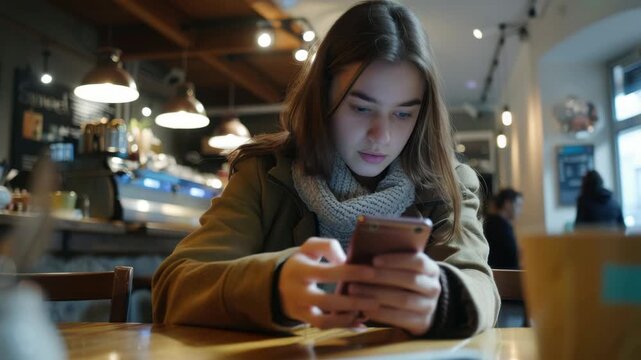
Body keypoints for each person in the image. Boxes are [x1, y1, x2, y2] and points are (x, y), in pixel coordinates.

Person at [152, 0, 499, 338]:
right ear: (323, 98)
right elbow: (174, 286)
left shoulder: (446, 182)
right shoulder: (264, 173)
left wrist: (442, 297)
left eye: (404, 113)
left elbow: (480, 287)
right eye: (362, 109)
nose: (382, 136)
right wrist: (273, 286)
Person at [483, 188, 523, 269]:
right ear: (507, 204)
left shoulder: (492, 222)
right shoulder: (500, 227)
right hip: (502, 277)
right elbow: (511, 260)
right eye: (518, 205)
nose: (520, 210)